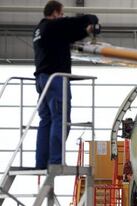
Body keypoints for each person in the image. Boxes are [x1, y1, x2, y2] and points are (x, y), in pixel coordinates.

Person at [33, 0, 99, 169]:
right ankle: (55, 160)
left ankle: (41, 162)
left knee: (45, 120)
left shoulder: (40, 30)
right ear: (55, 13)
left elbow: (69, 35)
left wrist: (85, 31)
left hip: (42, 80)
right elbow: (70, 23)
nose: (62, 17)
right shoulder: (52, 26)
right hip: (55, 79)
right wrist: (90, 19)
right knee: (60, 119)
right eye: (61, 14)